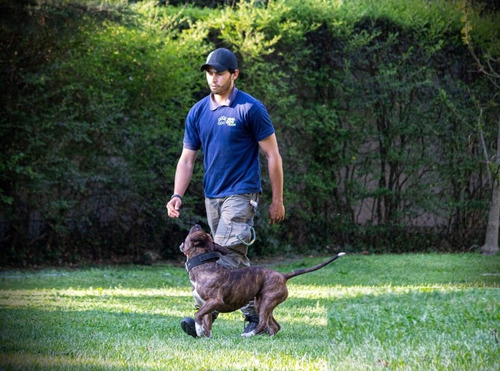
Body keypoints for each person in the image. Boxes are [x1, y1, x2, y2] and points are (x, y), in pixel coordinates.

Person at [166, 48, 285, 337]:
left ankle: (202, 319)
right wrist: (177, 194)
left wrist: (277, 199)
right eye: (209, 72)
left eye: (219, 73)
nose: (213, 78)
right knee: (234, 254)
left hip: (242, 194)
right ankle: (255, 315)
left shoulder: (250, 108)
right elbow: (187, 158)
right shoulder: (198, 112)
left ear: (234, 74)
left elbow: (273, 155)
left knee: (226, 255)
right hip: (212, 196)